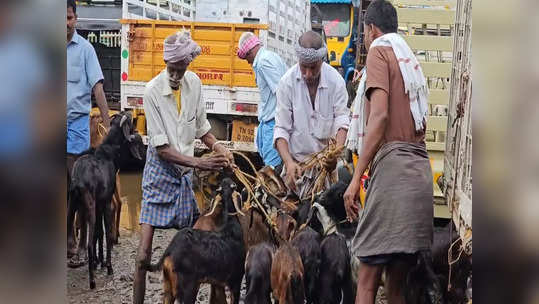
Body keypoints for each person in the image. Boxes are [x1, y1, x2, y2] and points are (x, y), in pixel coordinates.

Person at [132, 30, 233, 304]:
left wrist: (219, 147)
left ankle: (209, 294)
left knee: (202, 245)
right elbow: (162, 149)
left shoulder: (195, 85)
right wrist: (200, 162)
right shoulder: (152, 91)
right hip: (159, 173)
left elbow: (202, 130)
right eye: (172, 69)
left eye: (181, 69)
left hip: (185, 176)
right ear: (166, 65)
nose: (176, 75)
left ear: (188, 65)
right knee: (143, 254)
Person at [343, 1, 433, 303]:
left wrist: (355, 180)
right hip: (420, 177)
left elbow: (379, 117)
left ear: (371, 30)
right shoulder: (408, 60)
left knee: (366, 278)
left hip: (393, 174)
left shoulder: (379, 51)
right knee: (396, 282)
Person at [273, 30, 350, 198]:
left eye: (313, 68)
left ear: (322, 61)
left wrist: (335, 154)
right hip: (296, 170)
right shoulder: (286, 83)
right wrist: (289, 162)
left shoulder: (336, 81)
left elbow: (342, 119)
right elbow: (281, 129)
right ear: (298, 61)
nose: (308, 74)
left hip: (326, 172)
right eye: (303, 67)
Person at [66, 0, 111, 266]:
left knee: (80, 188)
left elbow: (97, 88)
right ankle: (67, 241)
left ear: (76, 18)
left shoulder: (86, 50)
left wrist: (108, 126)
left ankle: (83, 245)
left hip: (76, 127)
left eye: (69, 17)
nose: (65, 23)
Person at [237, 32, 286, 170]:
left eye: (246, 56)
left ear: (251, 51)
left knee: (272, 172)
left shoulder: (263, 62)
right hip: (271, 122)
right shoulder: (271, 57)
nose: (247, 61)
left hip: (273, 122)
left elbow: (281, 92)